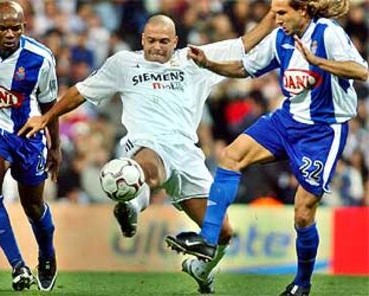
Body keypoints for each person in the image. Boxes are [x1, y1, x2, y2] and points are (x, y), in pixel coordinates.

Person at [18, 13, 275, 294]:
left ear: (175, 41)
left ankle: (200, 270)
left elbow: (244, 44)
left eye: (164, 41)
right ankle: (133, 202)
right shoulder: (124, 64)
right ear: (142, 39)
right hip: (146, 145)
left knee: (223, 232)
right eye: (151, 40)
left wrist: (273, 15)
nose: (157, 47)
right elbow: (80, 92)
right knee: (145, 169)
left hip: (188, 156)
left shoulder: (195, 59)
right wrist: (47, 118)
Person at [165, 0, 369, 295]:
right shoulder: (280, 37)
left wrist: (317, 60)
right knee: (230, 156)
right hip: (286, 121)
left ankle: (302, 283)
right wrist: (208, 63)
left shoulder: (328, 33)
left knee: (302, 214)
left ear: (303, 11)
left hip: (323, 131)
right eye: (274, 12)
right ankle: (208, 238)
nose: (276, 18)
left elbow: (361, 71)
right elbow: (244, 67)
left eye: (282, 13)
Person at [0, 1, 60, 291]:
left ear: (24, 27)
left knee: (33, 205)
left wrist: (55, 146)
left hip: (28, 135)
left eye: (15, 27)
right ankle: (18, 266)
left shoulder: (40, 58)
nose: (9, 33)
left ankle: (47, 254)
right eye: (3, 28)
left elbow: (49, 104)